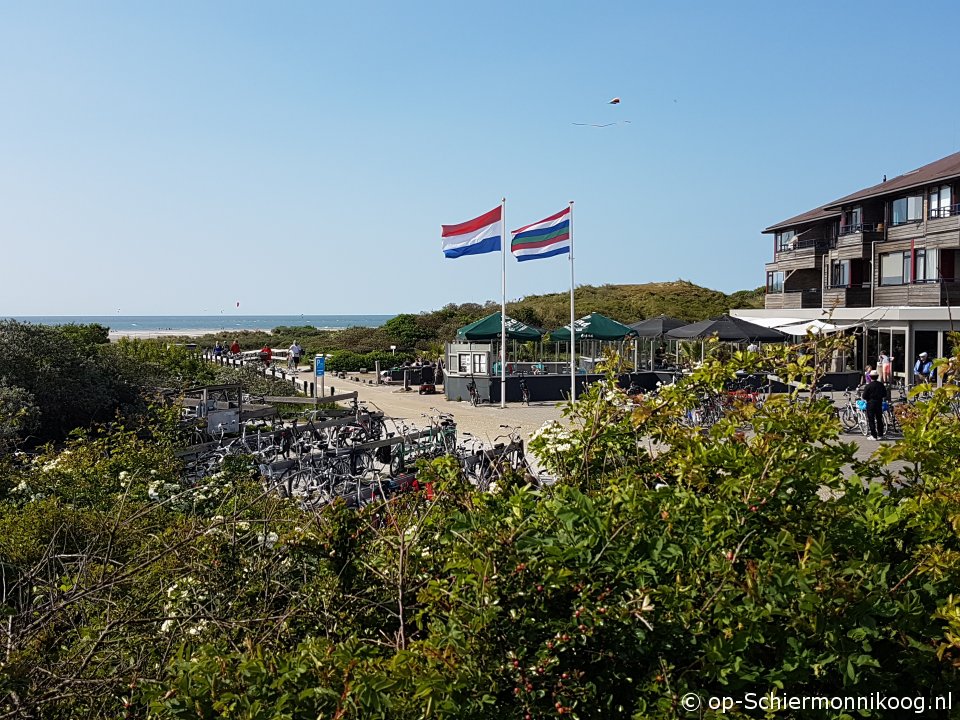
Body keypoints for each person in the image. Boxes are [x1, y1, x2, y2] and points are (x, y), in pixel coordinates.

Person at [861, 368, 886, 440]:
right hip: (879, 403)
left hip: (870, 403)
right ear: (877, 376)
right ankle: (880, 434)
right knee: (879, 419)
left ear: (870, 377)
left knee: (871, 419)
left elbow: (864, 396)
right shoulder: (881, 385)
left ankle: (873, 435)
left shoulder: (868, 386)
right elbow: (884, 394)